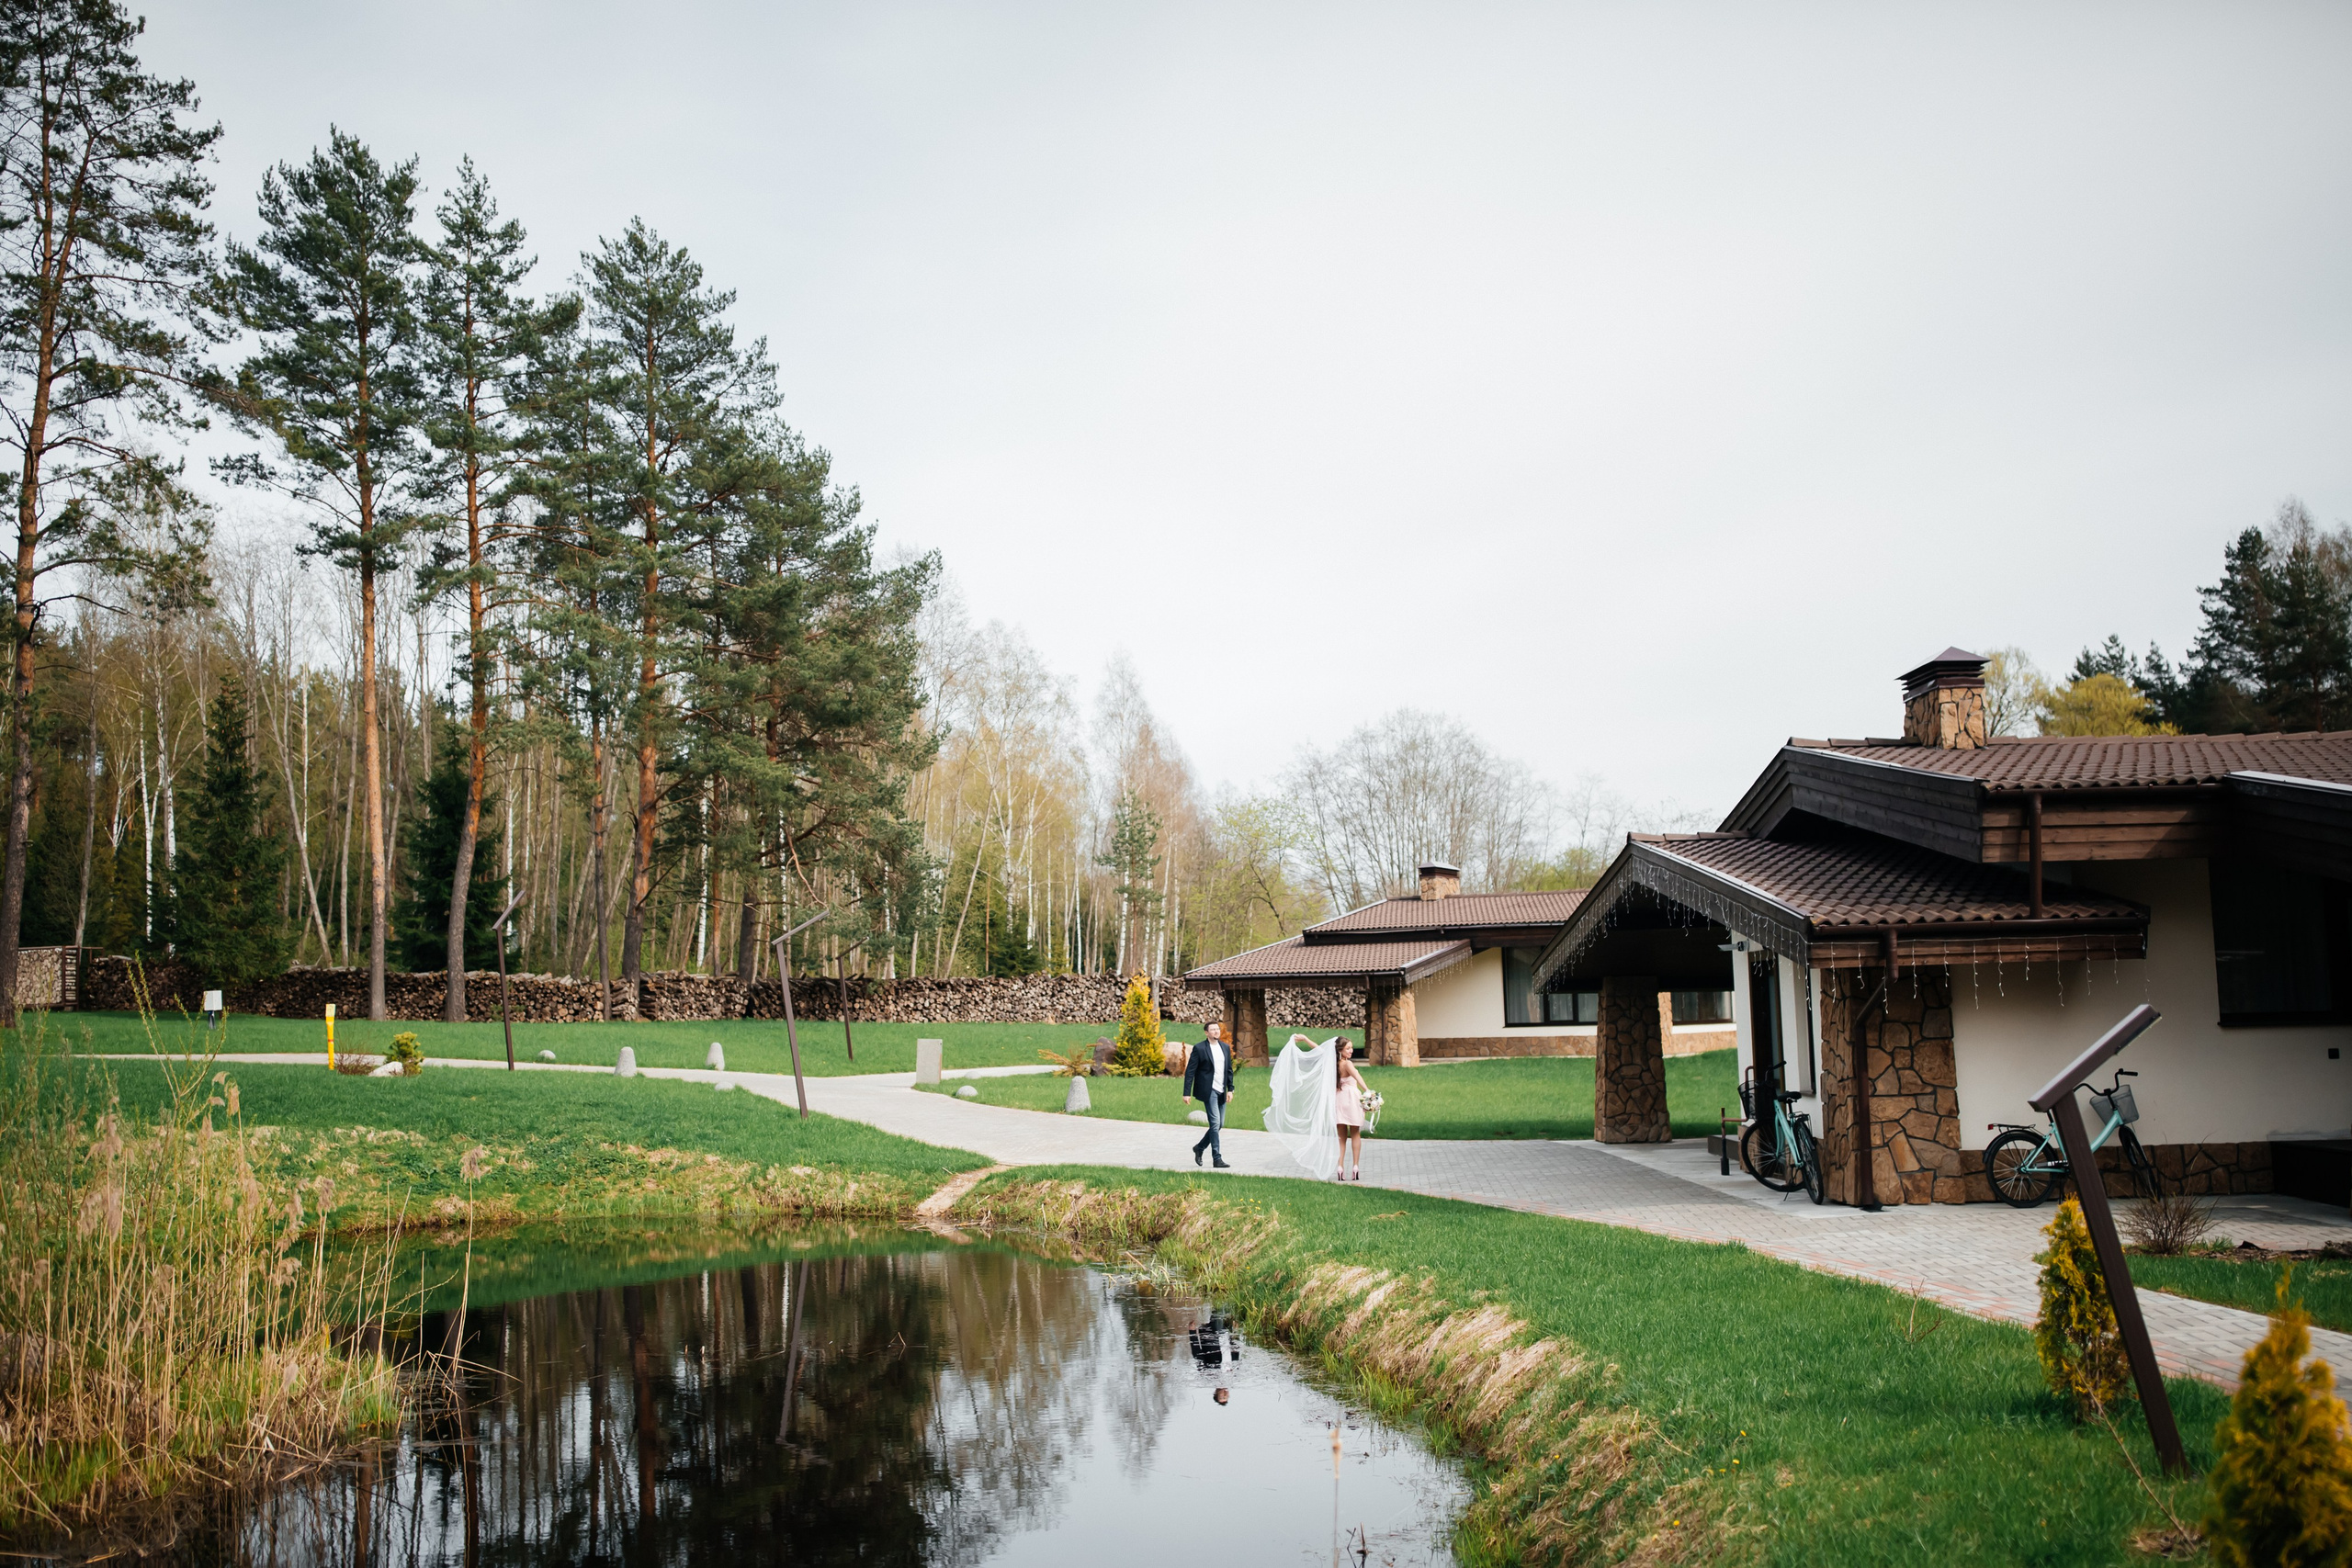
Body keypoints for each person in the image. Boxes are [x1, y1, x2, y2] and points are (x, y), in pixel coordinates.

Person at [1183, 1021, 1235, 1168]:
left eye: (1217, 1029)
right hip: (1209, 1090)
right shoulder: (1199, 1048)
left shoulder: (1224, 1047)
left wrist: (1230, 1089)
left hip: (1221, 1090)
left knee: (1220, 1124)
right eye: (1212, 1029)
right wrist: (1186, 1093)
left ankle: (1199, 1147)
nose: (1216, 1031)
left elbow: (1229, 1070)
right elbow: (1190, 1072)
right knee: (1215, 1124)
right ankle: (1217, 1158)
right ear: (1207, 1033)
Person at [1334, 1041, 1368, 1181]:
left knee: (1341, 1137)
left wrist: (1305, 1039)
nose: (1351, 1050)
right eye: (1348, 1048)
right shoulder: (1347, 1064)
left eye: (1351, 1047)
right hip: (1351, 1100)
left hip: (1339, 1100)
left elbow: (1319, 1050)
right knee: (1355, 1133)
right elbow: (1357, 1077)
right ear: (1340, 1050)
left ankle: (1340, 1167)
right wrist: (1367, 1090)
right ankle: (1355, 1166)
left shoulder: (1334, 1064)